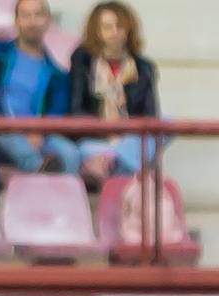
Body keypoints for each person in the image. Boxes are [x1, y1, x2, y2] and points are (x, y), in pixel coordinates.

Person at [65, 1, 160, 183]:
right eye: (107, 27)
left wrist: (121, 136)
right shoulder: (83, 61)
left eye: (120, 26)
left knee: (166, 123)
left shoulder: (144, 67)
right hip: (94, 140)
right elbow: (76, 111)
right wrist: (107, 132)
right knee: (129, 159)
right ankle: (122, 165)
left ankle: (114, 157)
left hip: (128, 138)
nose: (115, 33)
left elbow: (151, 116)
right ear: (97, 32)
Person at [0, 0, 80, 174]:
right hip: (1, 127)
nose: (32, 21)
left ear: (48, 20)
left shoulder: (57, 74)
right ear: (16, 20)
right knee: (9, 137)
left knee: (70, 154)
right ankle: (40, 169)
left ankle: (63, 198)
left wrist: (39, 133)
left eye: (38, 15)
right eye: (26, 16)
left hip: (39, 132)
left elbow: (56, 113)